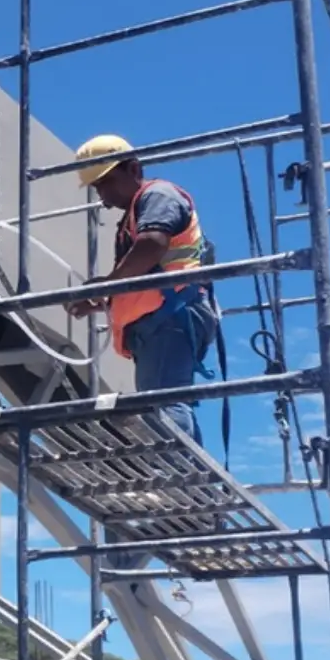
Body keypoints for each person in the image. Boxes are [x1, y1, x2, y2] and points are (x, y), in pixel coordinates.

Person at [68, 134, 218, 445]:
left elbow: (152, 246)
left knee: (163, 404)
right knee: (165, 401)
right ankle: (184, 466)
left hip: (172, 315)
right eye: (96, 187)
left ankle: (177, 469)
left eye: (106, 183)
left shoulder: (158, 196)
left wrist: (105, 285)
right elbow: (141, 281)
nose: (103, 195)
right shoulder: (135, 214)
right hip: (161, 318)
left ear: (133, 169)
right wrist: (100, 302)